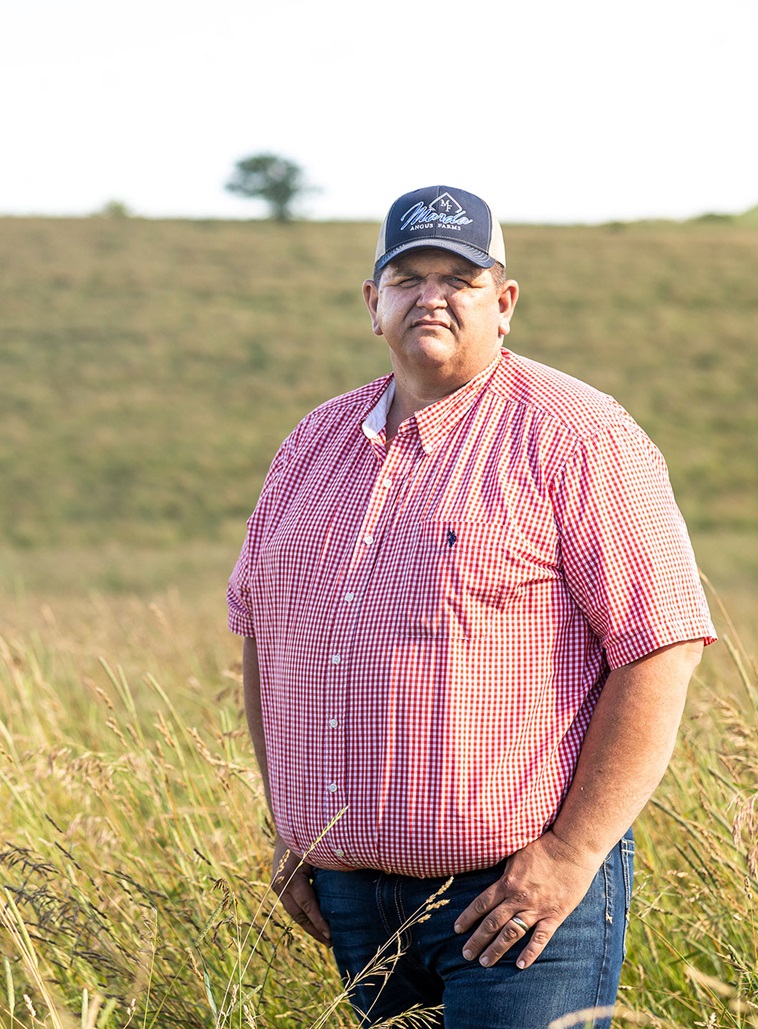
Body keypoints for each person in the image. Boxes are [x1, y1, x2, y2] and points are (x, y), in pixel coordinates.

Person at [226, 185, 715, 1028]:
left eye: (459, 278)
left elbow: (662, 646)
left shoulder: (579, 436)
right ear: (372, 302)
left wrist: (571, 853)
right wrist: (291, 829)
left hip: (517, 900)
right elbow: (264, 637)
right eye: (408, 277)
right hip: (352, 906)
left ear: (505, 302)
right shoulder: (310, 445)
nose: (432, 296)